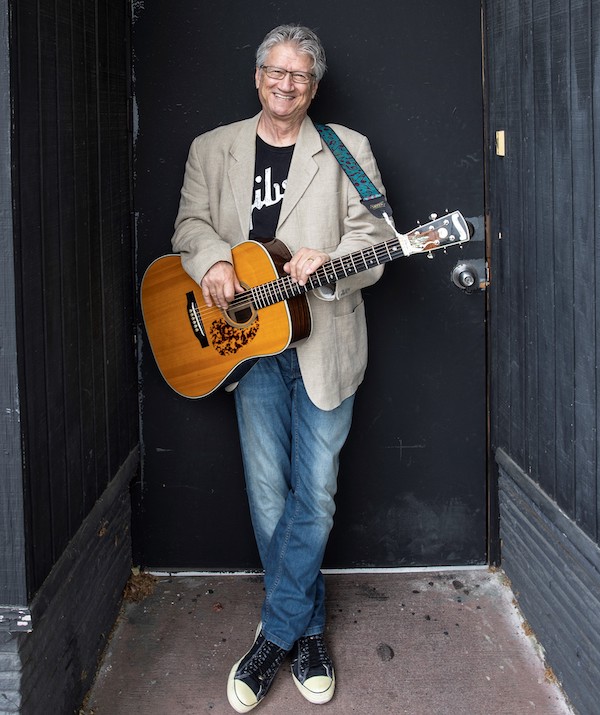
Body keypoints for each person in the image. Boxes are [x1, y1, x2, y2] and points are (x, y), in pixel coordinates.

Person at [171, 24, 390, 712]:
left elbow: (379, 241)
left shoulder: (347, 150)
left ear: (313, 87)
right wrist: (208, 259)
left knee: (314, 495)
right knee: (269, 496)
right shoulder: (213, 148)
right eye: (275, 71)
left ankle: (281, 632)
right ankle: (309, 627)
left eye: (299, 76)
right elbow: (188, 225)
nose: (285, 84)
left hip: (324, 342)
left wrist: (329, 265)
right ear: (258, 75)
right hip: (245, 349)